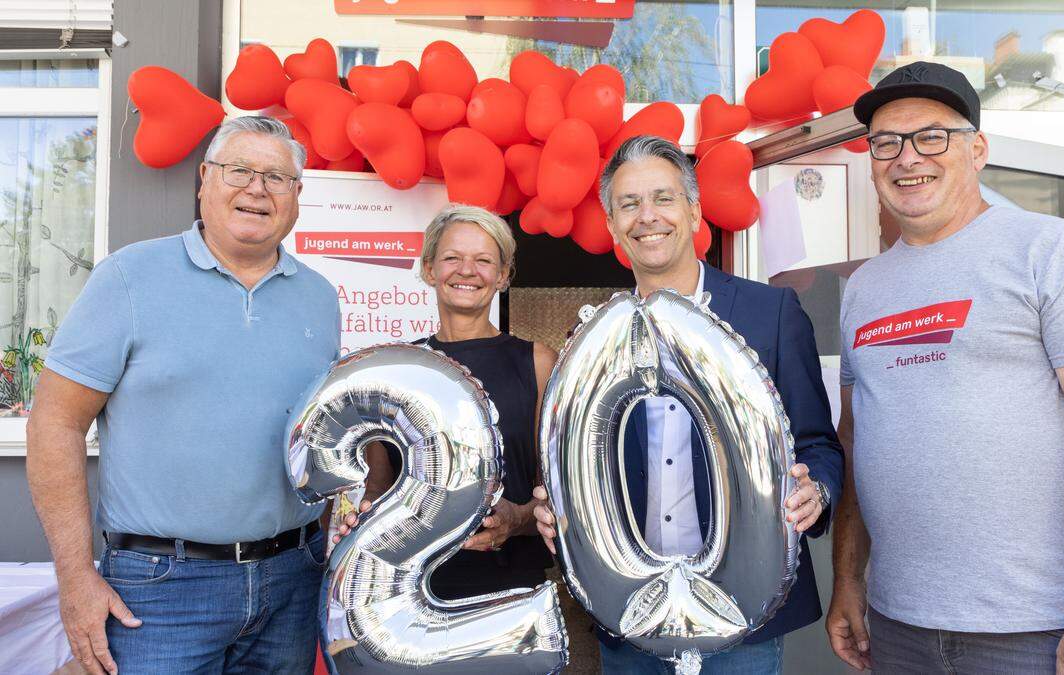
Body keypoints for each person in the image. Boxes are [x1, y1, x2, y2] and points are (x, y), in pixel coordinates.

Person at [826, 61, 1064, 674]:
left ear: (977, 150)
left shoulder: (1053, 252)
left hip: (1038, 629)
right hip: (898, 626)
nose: (906, 158)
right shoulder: (864, 289)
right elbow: (857, 445)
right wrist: (848, 580)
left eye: (931, 137)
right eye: (885, 143)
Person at [26, 116, 339, 674]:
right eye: (239, 170)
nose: (256, 189)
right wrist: (75, 578)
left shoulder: (319, 298)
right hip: (160, 590)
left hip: (292, 577)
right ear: (203, 179)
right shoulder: (128, 278)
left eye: (276, 177)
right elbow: (55, 424)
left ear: (296, 196)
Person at [532, 135, 845, 673]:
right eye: (629, 204)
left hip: (746, 613)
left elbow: (818, 442)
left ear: (695, 211)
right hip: (628, 614)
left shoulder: (771, 312)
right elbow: (576, 463)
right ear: (612, 226)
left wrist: (816, 488)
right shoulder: (593, 340)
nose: (647, 216)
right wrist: (556, 508)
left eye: (663, 198)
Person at [337, 203, 558, 600]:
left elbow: (558, 491)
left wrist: (517, 519)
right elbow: (378, 487)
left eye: (483, 260)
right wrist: (361, 515)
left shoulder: (538, 362)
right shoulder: (396, 370)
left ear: (503, 275)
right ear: (428, 269)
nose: (467, 270)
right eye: (452, 257)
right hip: (409, 589)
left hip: (511, 590)